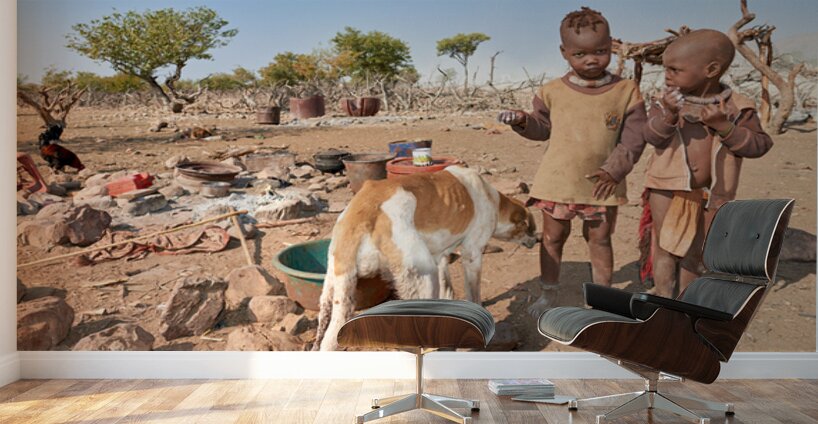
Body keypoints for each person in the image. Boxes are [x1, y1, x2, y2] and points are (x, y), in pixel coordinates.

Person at [497, 7, 646, 317]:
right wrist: (522, 121)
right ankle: (548, 295)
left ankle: (602, 298)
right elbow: (541, 129)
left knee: (600, 238)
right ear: (564, 52)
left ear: (612, 46)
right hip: (558, 181)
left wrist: (614, 169)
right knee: (552, 238)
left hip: (602, 183)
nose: (591, 59)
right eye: (580, 54)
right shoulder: (551, 91)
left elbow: (634, 137)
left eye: (601, 51)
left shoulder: (625, 91)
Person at [642, 29, 773, 298]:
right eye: (665, 68)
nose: (667, 75)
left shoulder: (738, 107)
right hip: (665, 188)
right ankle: (664, 301)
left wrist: (724, 127)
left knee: (697, 253)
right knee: (665, 247)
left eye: (675, 69)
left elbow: (760, 145)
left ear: (711, 69)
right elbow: (651, 137)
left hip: (714, 195)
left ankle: (686, 304)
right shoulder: (664, 101)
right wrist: (668, 114)